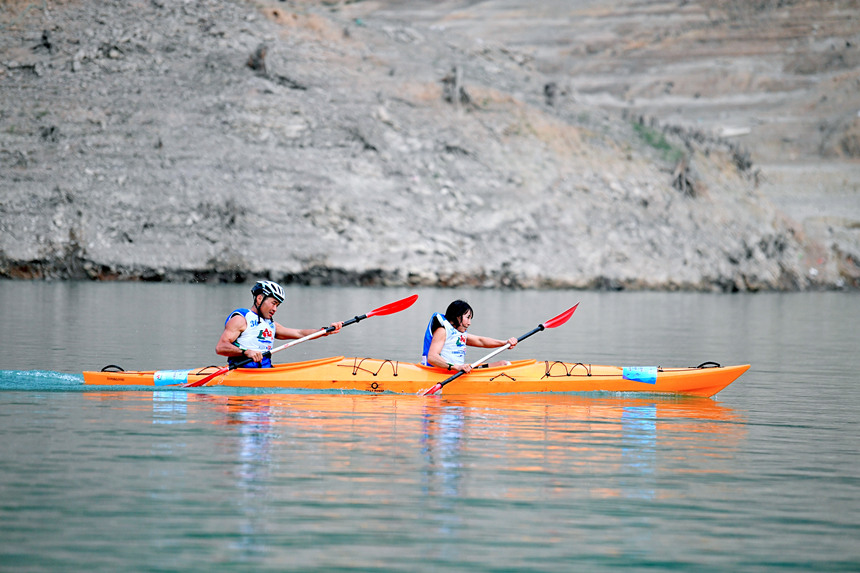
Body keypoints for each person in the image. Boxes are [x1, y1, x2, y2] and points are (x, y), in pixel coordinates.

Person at [215, 280, 342, 368]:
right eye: (274, 303)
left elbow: (300, 333)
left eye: (278, 305)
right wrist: (246, 352)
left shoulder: (270, 325)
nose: (275, 309)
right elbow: (221, 347)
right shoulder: (241, 319)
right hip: (241, 372)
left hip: (265, 372)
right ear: (260, 299)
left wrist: (325, 331)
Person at [421, 299, 517, 373]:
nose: (469, 323)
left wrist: (505, 343)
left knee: (504, 364)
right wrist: (456, 367)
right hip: (440, 372)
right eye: (467, 318)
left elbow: (480, 341)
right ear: (458, 317)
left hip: (457, 371)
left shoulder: (458, 333)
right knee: (504, 365)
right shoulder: (442, 331)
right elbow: (432, 357)